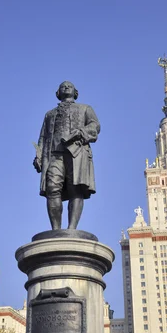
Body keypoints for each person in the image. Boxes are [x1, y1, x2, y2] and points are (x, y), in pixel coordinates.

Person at [33, 81, 100, 230]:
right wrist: (38, 156)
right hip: (54, 155)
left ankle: (71, 229)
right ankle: (56, 230)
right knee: (52, 189)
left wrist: (80, 132)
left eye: (70, 85)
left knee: (76, 189)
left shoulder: (85, 109)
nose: (66, 87)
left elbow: (95, 125)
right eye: (62, 86)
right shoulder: (49, 114)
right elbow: (43, 137)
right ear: (58, 93)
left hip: (77, 153)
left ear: (75, 92)